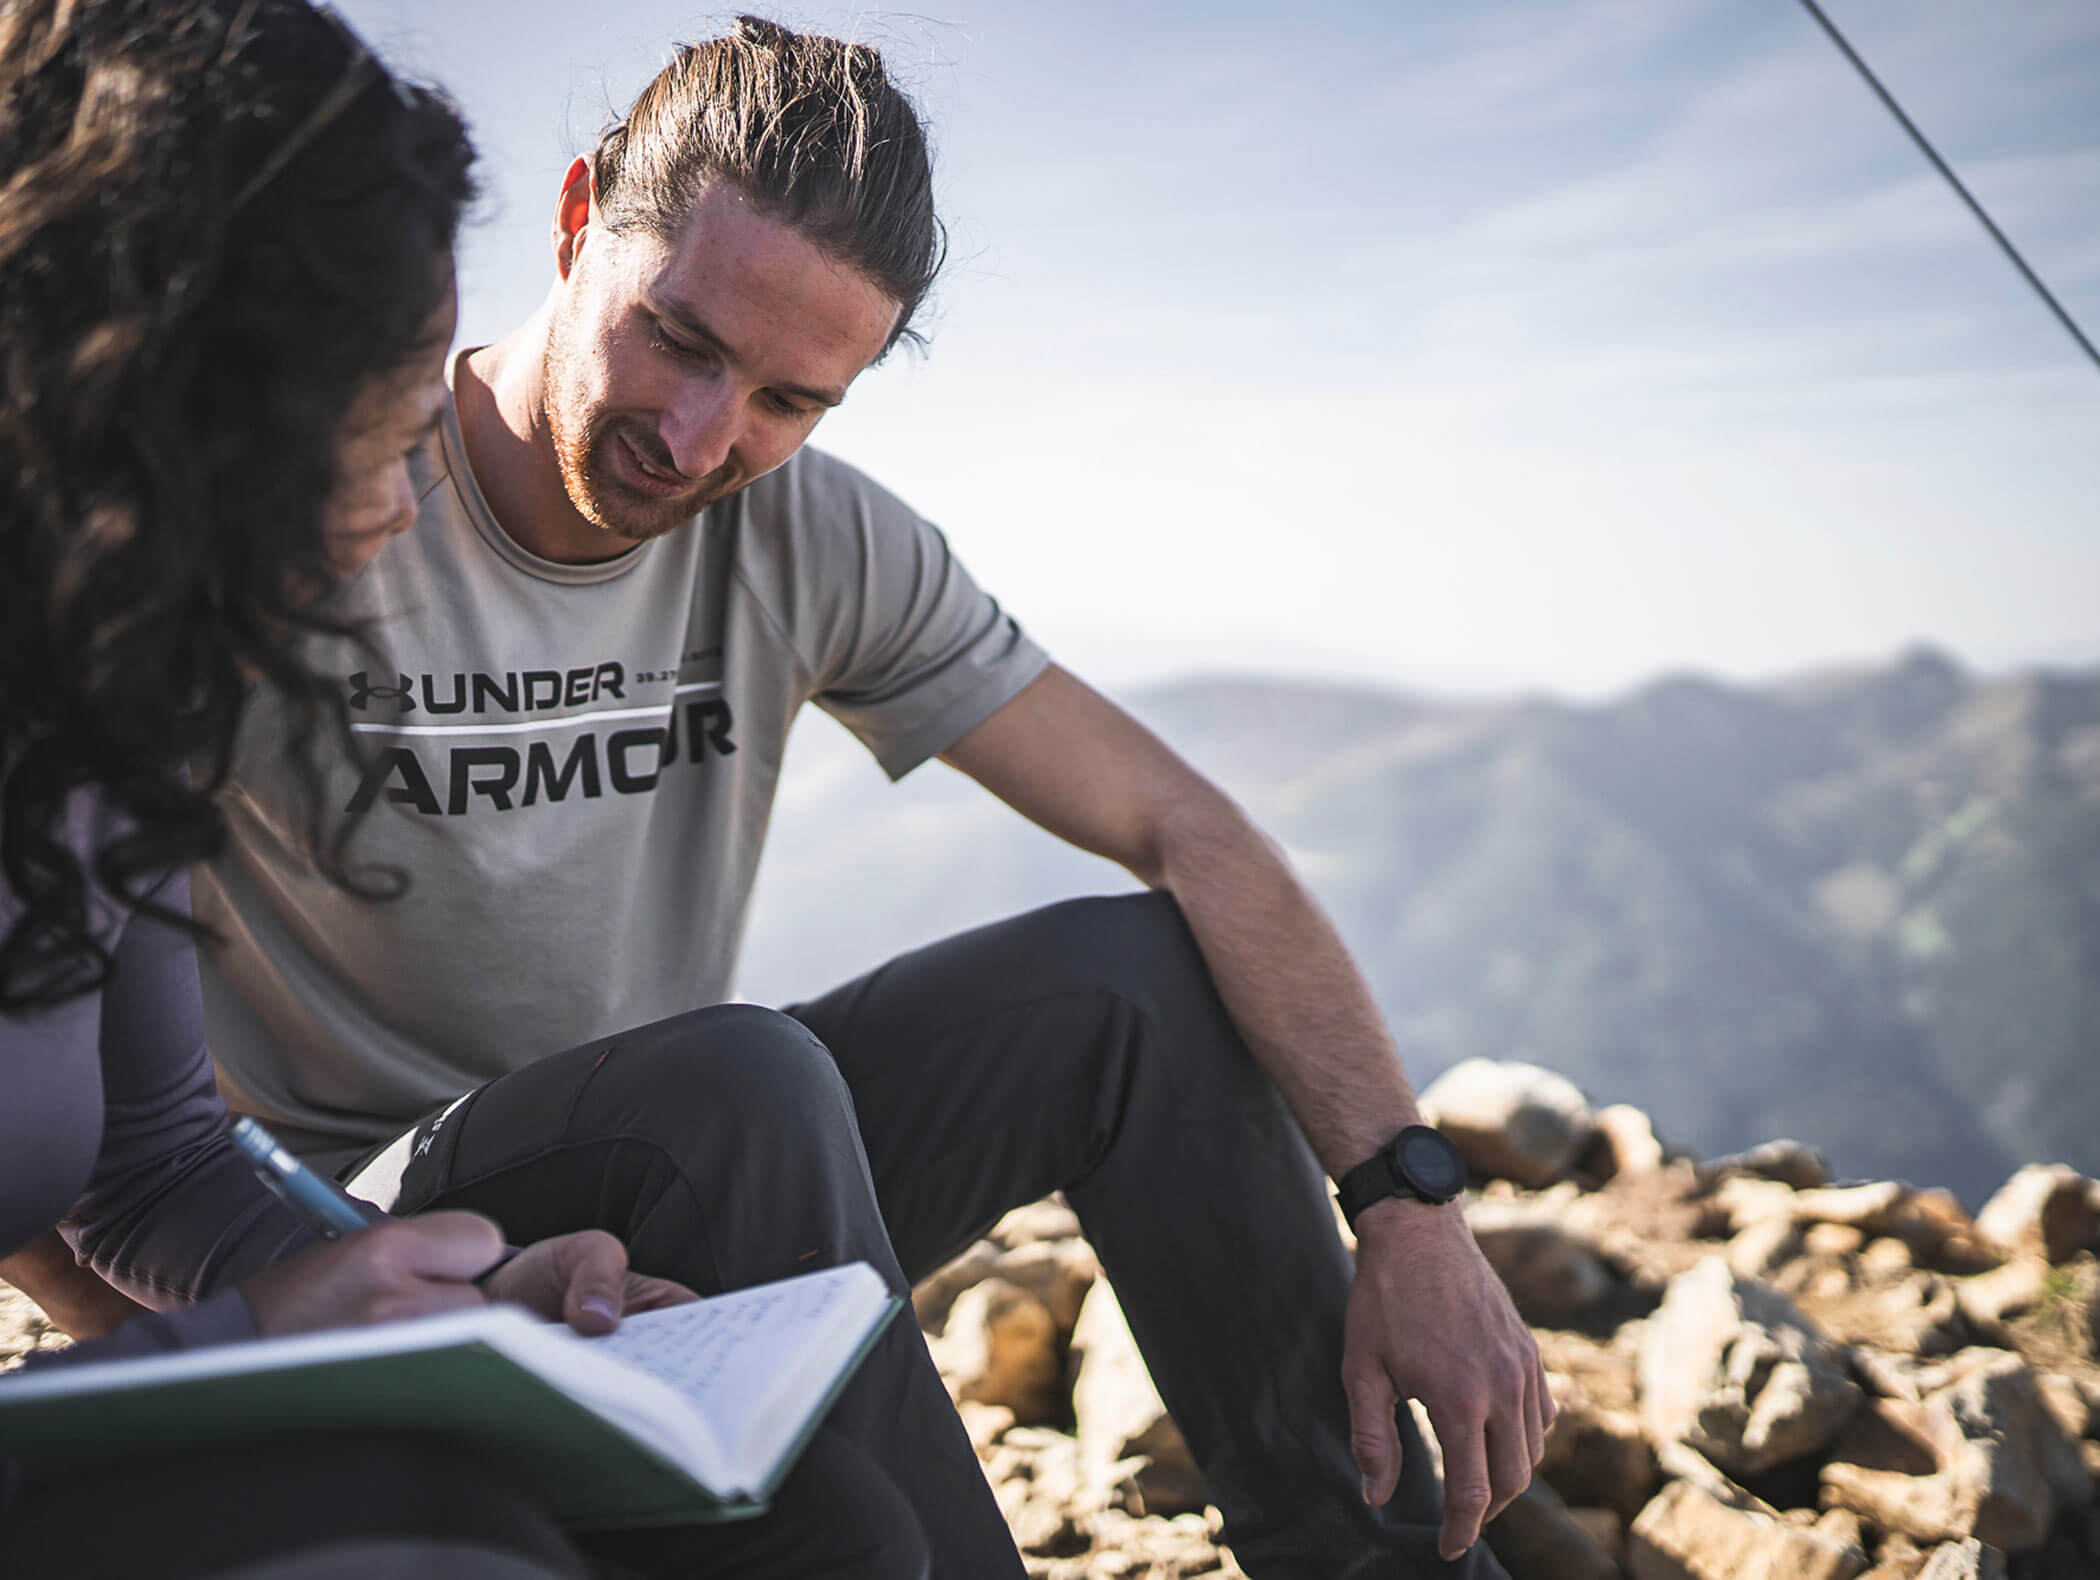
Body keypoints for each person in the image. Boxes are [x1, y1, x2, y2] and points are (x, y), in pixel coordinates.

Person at [13, 14, 1552, 1578]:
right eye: (679, 339)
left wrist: (1413, 1207)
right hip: (376, 1208)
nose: (701, 439)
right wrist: (229, 1360)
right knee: (739, 1088)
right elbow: (83, 1084)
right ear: (574, 219)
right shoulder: (297, 494)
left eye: (788, 399)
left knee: (1133, 982)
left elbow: (1194, 831)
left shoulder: (814, 540)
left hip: (699, 1175)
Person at [0, 4, 937, 1577]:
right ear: (164, 394)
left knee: (829, 1533)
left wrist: (441, 1305)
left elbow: (155, 1165)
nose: (397, 505)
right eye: (365, 437)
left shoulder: (112, 711)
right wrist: (210, 1362)